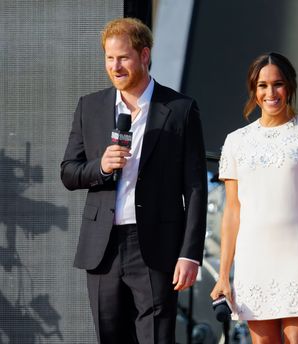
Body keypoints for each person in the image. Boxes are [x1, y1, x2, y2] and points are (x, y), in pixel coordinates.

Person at [61, 17, 207, 344]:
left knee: (156, 337)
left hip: (156, 246)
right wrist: (100, 166)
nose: (116, 66)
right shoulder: (91, 106)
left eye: (123, 57)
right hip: (103, 248)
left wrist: (190, 253)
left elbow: (195, 187)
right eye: (110, 58)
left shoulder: (180, 109)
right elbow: (69, 171)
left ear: (144, 55)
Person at [210, 52, 298, 343]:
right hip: (254, 261)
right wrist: (223, 275)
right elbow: (233, 212)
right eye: (262, 85)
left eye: (278, 84)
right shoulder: (236, 141)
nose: (270, 93)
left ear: (290, 87)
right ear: (253, 90)